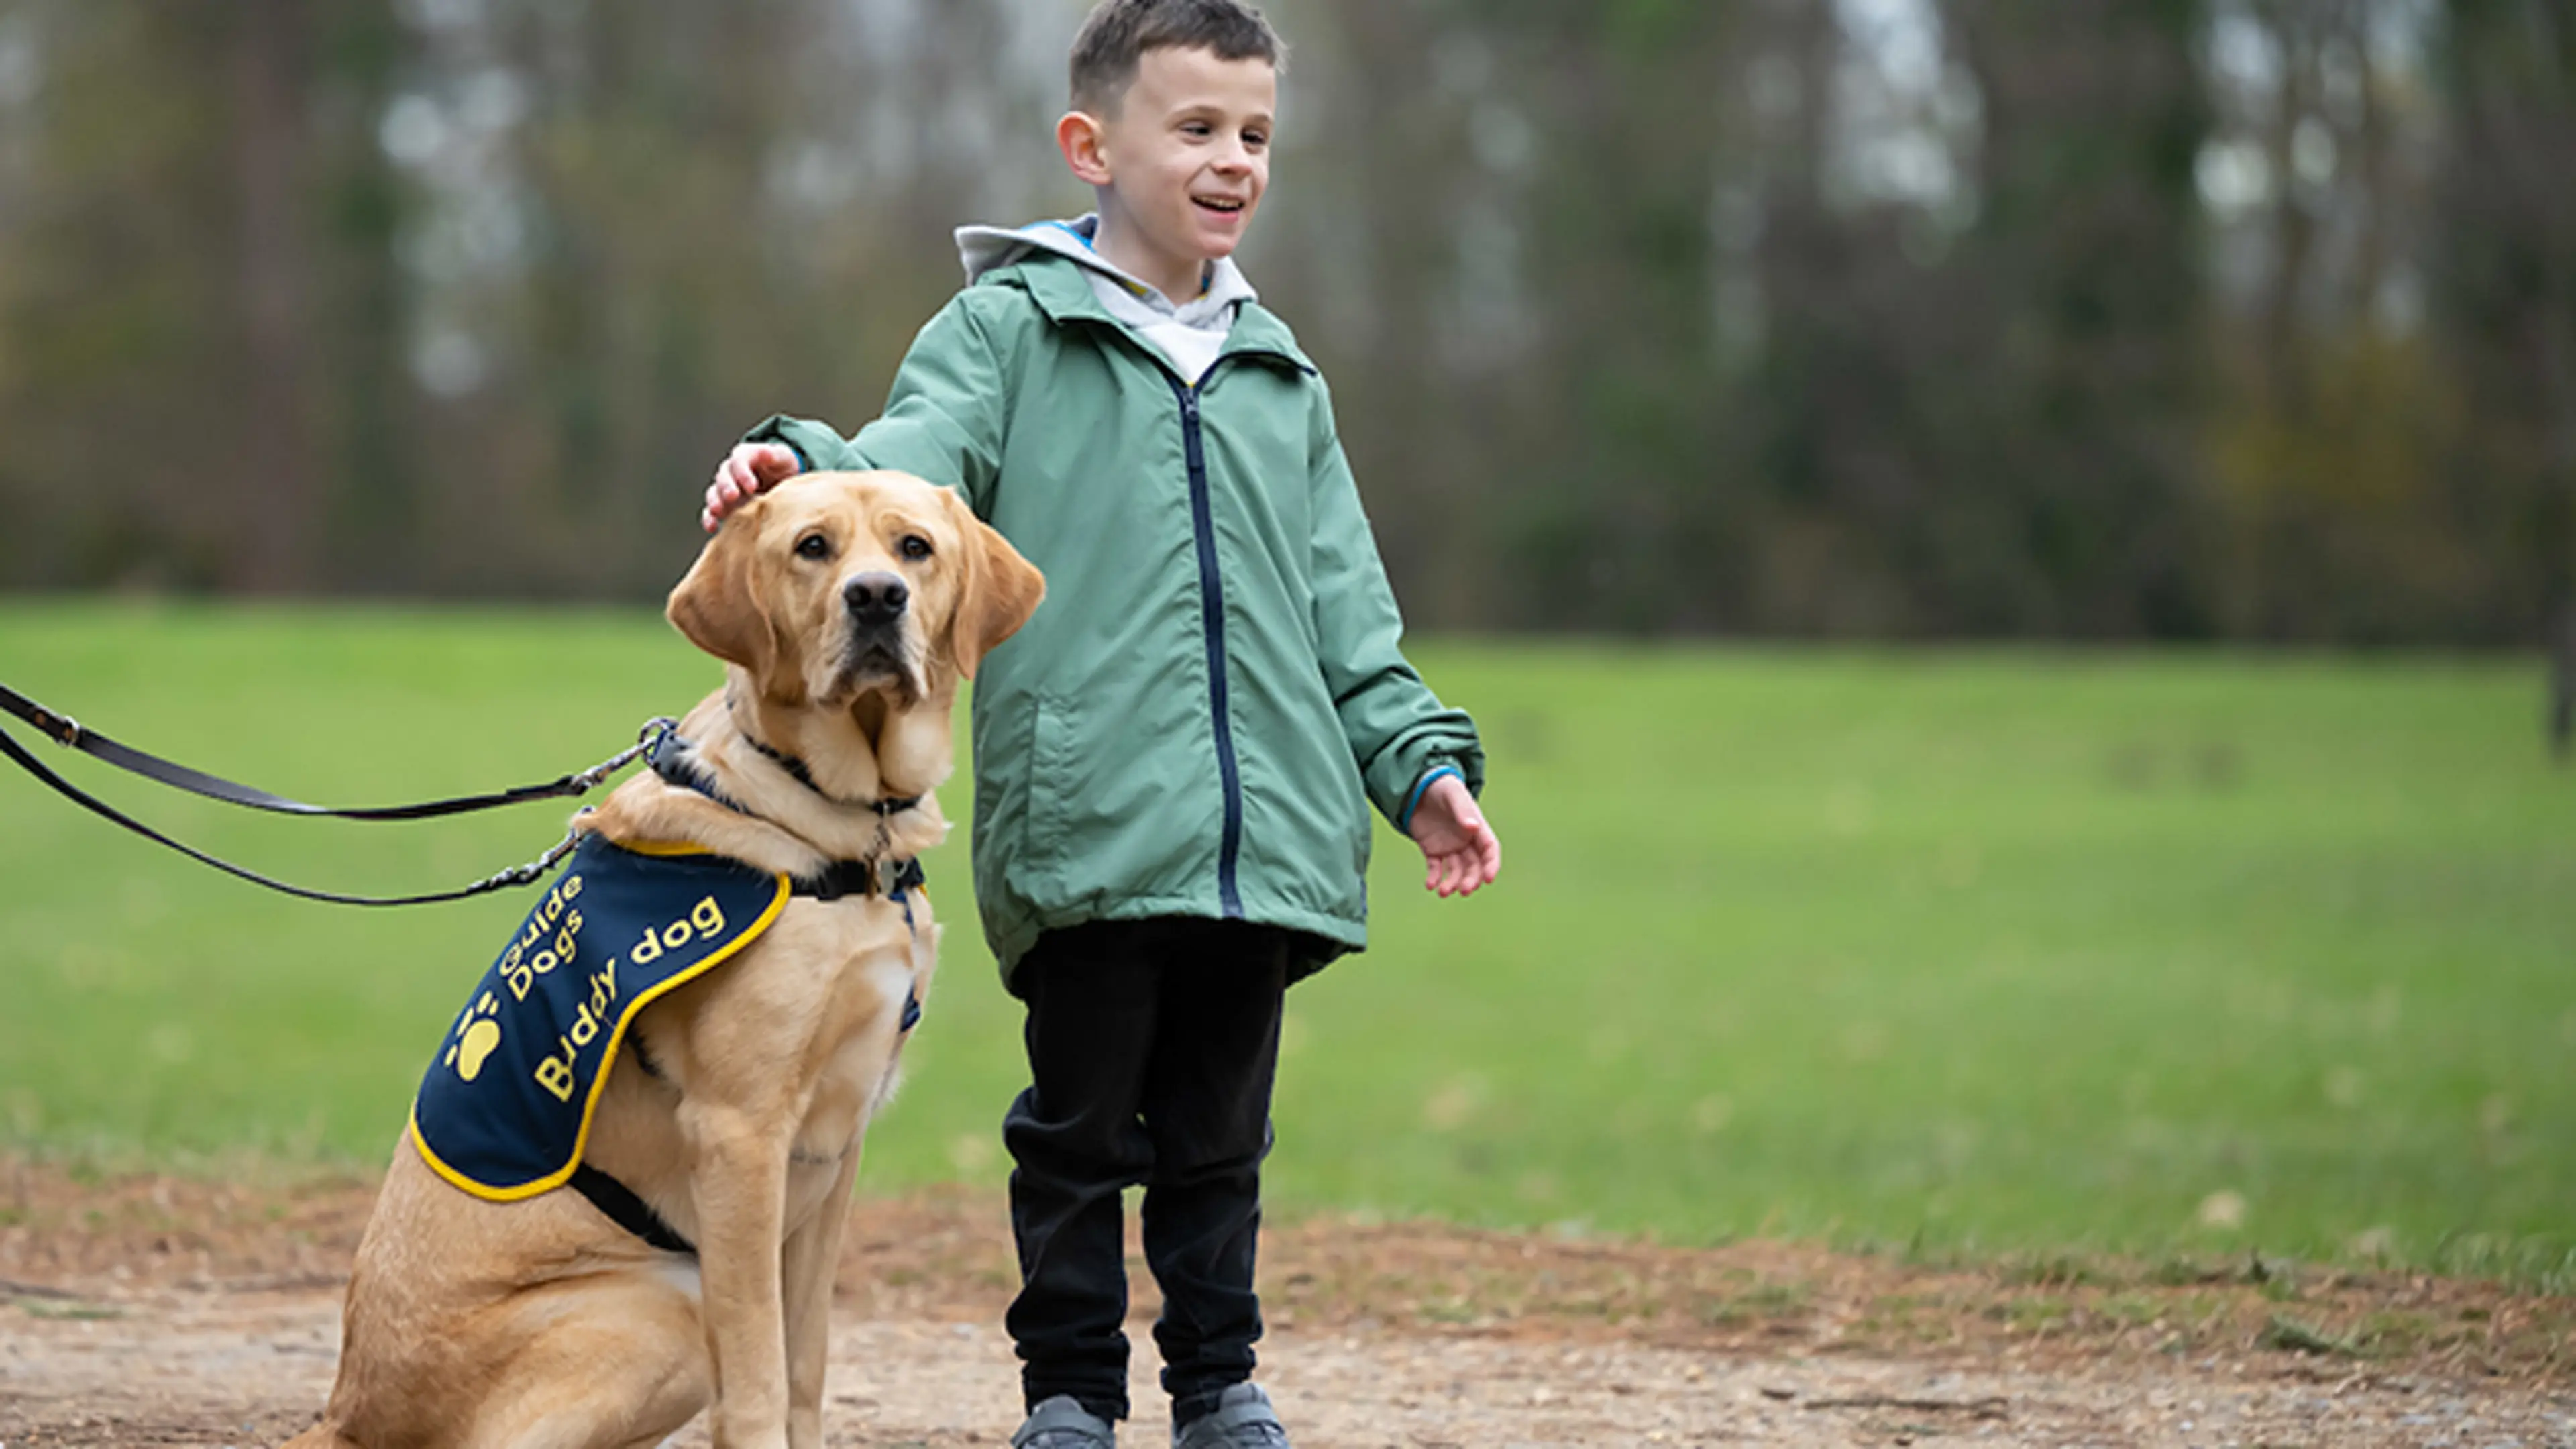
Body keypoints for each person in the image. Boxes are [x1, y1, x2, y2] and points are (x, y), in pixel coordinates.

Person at [700, 2, 1499, 1444]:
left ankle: (1218, 1387)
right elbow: (906, 475)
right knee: (1073, 1139)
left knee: (1219, 1141)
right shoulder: (1009, 329)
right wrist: (795, 464)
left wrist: (1420, 764)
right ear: (1092, 146)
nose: (1232, 160)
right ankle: (1069, 1396)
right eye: (1195, 128)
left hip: (1265, 836)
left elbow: (1346, 604)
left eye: (1254, 134)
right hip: (1088, 820)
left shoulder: (1279, 372)